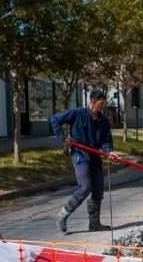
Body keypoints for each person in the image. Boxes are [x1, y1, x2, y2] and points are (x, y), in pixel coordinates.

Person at [50, 89, 116, 234]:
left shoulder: (103, 121)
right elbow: (55, 119)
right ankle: (62, 215)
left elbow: (106, 140)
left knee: (98, 189)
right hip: (80, 154)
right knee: (85, 187)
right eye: (101, 103)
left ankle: (94, 224)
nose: (103, 106)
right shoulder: (77, 113)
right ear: (93, 102)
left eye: (104, 103)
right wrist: (63, 137)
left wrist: (109, 151)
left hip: (95, 156)